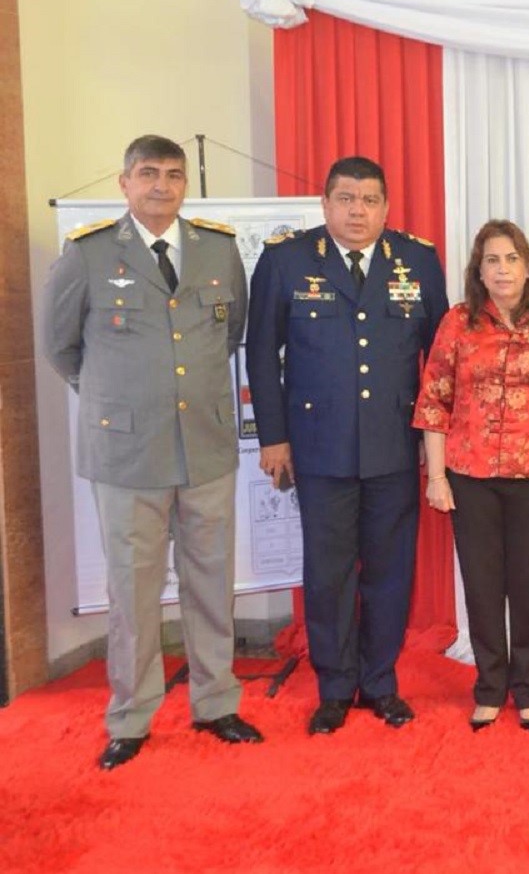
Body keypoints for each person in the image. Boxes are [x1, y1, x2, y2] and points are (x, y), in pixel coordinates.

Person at [41, 134, 262, 769]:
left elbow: (229, 334)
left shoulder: (217, 249)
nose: (160, 186)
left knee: (210, 580)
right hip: (127, 454)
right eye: (148, 174)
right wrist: (120, 400)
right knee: (133, 590)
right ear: (124, 182)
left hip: (205, 448)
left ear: (184, 184)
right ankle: (131, 717)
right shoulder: (86, 256)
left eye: (172, 175)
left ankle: (217, 702)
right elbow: (61, 349)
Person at [246, 156, 448, 735]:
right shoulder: (286, 261)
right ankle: (334, 687)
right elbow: (261, 353)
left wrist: (439, 448)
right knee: (329, 571)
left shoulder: (417, 259)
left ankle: (380, 683)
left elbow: (439, 359)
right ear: (325, 204)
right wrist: (275, 437)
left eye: (369, 200)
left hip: (392, 446)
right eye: (345, 198)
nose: (357, 210)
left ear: (386, 207)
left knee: (389, 570)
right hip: (318, 448)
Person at [417, 219, 529, 732]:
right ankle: (489, 686)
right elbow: (435, 400)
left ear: (528, 266)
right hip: (469, 475)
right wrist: (436, 477)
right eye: (492, 260)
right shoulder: (458, 323)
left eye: (511, 259)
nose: (502, 269)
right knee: (481, 586)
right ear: (479, 268)